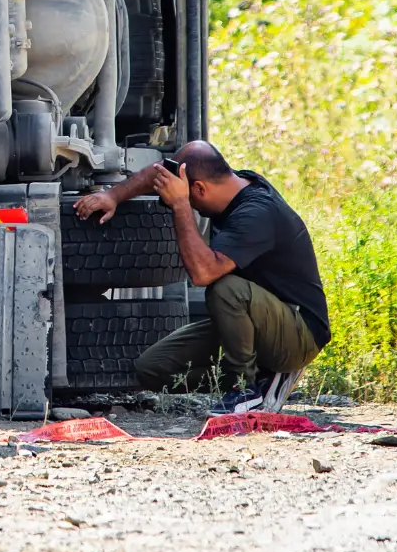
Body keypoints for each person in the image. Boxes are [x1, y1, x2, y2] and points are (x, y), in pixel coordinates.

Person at [73, 140, 329, 414]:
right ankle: (263, 378)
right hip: (257, 320)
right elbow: (157, 173)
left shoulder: (256, 214)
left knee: (225, 288)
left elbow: (203, 273)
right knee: (151, 369)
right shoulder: (231, 184)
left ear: (198, 189)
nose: (193, 207)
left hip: (298, 333)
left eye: (191, 198)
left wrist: (180, 204)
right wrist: (114, 196)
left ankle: (246, 388)